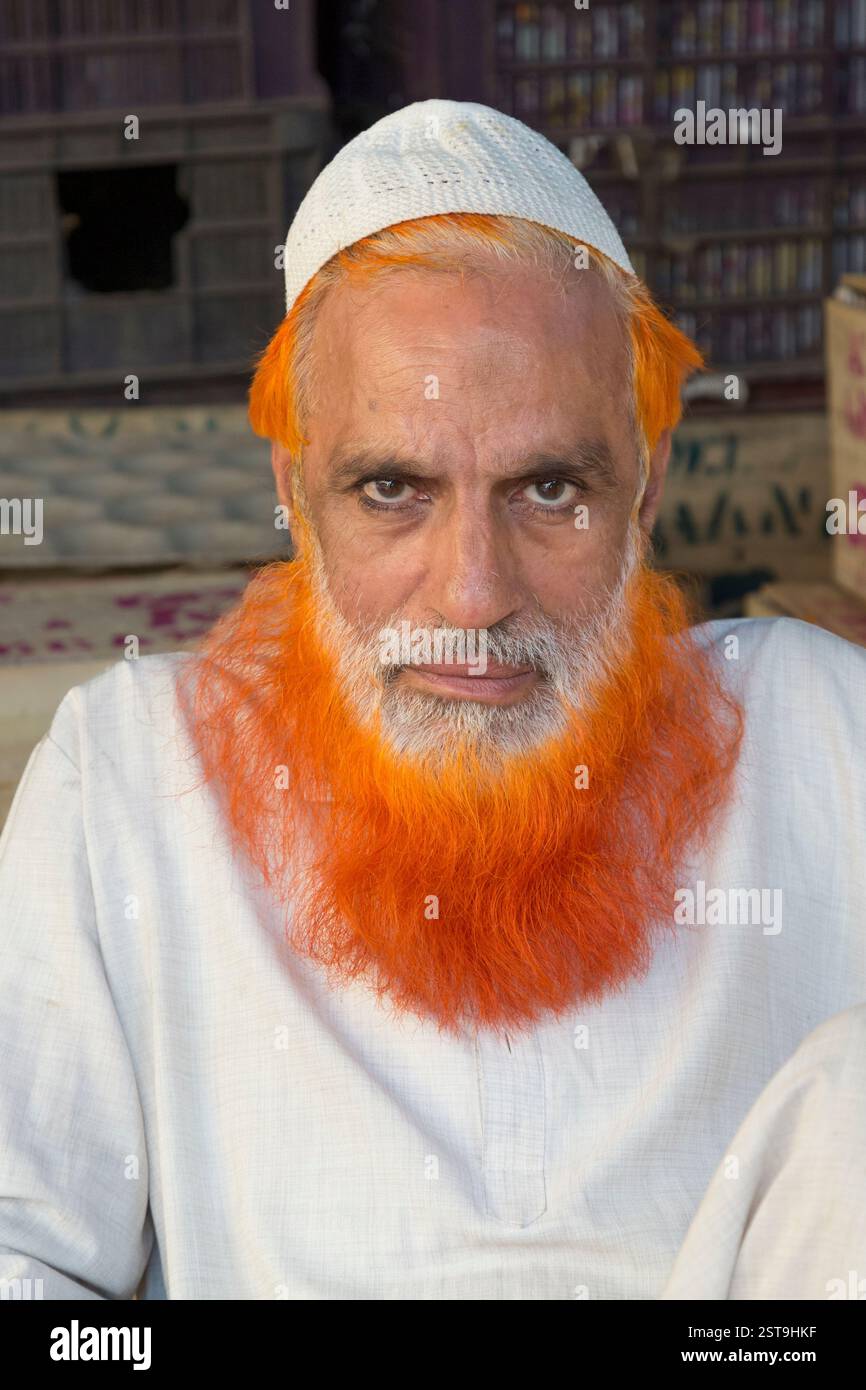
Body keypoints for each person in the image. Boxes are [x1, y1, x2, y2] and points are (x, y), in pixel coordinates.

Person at [0, 100, 864, 1301]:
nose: (472, 593)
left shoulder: (821, 739)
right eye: (392, 487)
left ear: (645, 488)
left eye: (549, 486)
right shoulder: (129, 781)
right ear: (296, 497)